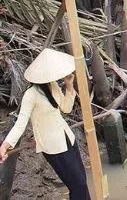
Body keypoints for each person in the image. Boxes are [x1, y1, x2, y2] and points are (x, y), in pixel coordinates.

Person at [0, 49, 88, 200]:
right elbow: (20, 124)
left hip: (68, 139)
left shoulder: (52, 85)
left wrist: (69, 86)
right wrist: (5, 146)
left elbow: (66, 109)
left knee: (82, 183)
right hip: (52, 147)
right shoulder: (31, 94)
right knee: (77, 185)